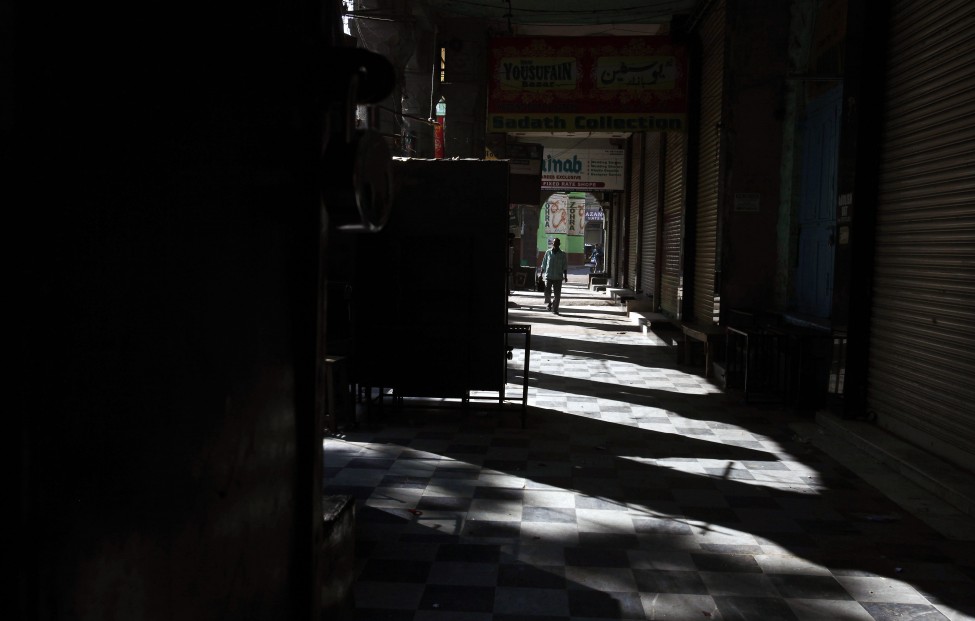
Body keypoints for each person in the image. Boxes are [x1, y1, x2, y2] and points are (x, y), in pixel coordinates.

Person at [540, 238, 568, 314]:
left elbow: (565, 266)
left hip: (558, 277)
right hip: (548, 276)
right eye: (554, 243)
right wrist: (541, 274)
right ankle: (549, 303)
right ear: (552, 244)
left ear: (559, 244)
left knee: (557, 295)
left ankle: (555, 309)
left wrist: (565, 276)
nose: (556, 244)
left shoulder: (563, 254)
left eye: (557, 243)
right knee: (547, 292)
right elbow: (544, 263)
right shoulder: (548, 252)